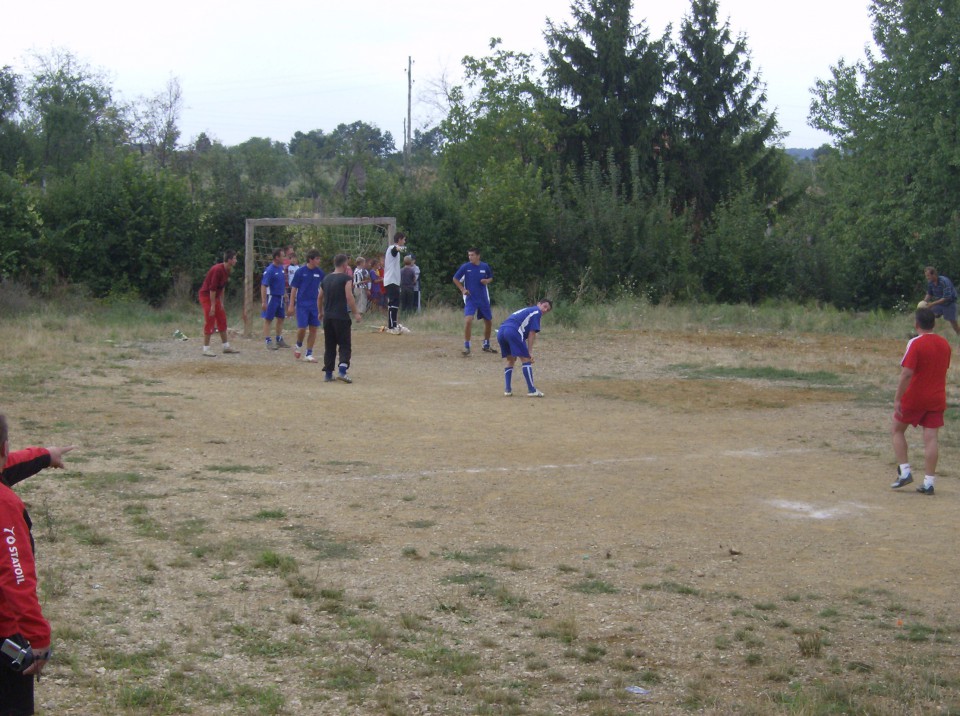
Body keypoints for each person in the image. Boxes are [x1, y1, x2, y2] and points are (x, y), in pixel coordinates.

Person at [0, 415, 54, 716]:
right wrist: (38, 637)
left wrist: (44, 455)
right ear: (5, 447)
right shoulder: (5, 507)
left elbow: (9, 466)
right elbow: (16, 578)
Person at [891, 306, 951, 494]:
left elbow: (907, 373)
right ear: (934, 323)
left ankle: (905, 471)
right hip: (937, 396)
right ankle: (929, 482)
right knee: (931, 438)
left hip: (916, 395)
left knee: (896, 429)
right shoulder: (945, 344)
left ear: (917, 324)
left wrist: (898, 398)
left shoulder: (915, 343)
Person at [319, 253, 363, 383]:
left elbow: (319, 297)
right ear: (344, 265)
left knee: (330, 345)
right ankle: (342, 371)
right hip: (341, 317)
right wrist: (356, 313)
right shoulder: (346, 278)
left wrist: (320, 312)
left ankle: (328, 373)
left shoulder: (326, 279)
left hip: (328, 317)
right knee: (344, 344)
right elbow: (349, 296)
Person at [496, 300, 553, 398]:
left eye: (547, 310)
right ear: (538, 304)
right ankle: (531, 390)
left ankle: (508, 390)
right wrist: (529, 352)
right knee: (526, 359)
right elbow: (532, 333)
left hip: (501, 331)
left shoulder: (527, 310)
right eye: (544, 306)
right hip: (513, 331)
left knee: (510, 360)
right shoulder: (536, 311)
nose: (545, 310)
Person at [452, 248, 495, 355]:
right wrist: (463, 290)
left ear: (478, 256)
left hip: (483, 298)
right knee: (468, 320)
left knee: (488, 321)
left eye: (472, 255)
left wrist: (487, 281)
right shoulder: (466, 267)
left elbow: (491, 278)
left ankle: (486, 344)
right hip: (471, 298)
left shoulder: (485, 266)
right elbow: (455, 278)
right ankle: (467, 346)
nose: (470, 257)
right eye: (469, 255)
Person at [199, 250, 239, 357]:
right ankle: (206, 349)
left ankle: (226, 347)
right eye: (234, 258)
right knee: (210, 319)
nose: (236, 260)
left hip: (215, 296)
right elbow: (212, 289)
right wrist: (212, 306)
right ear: (229, 260)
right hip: (206, 295)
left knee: (222, 318)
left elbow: (222, 287)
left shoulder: (228, 269)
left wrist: (221, 302)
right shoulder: (217, 270)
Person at [287, 249, 325, 363]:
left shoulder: (320, 272)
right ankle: (298, 345)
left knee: (314, 329)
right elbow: (294, 288)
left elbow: (324, 288)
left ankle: (309, 353)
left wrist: (322, 306)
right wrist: (291, 305)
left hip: (314, 305)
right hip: (302, 305)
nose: (319, 260)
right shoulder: (300, 271)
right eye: (317, 258)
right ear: (310, 259)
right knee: (302, 328)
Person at [260, 248, 288, 350]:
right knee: (268, 319)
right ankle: (268, 341)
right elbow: (263, 285)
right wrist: (264, 302)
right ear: (277, 257)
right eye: (282, 256)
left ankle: (279, 339)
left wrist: (284, 293)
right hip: (271, 297)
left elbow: (281, 282)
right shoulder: (270, 270)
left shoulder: (281, 268)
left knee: (281, 318)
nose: (284, 258)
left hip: (280, 297)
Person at [921, 266, 960, 337]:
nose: (927, 278)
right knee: (928, 314)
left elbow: (946, 297)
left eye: (928, 276)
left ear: (934, 274)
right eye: (926, 276)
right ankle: (927, 334)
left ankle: (959, 335)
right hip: (939, 303)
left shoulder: (944, 281)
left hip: (950, 303)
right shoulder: (930, 283)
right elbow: (929, 293)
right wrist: (924, 302)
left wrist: (932, 304)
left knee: (953, 321)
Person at [382, 232, 409, 334]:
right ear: (400, 239)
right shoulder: (392, 248)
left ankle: (393, 324)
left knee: (395, 303)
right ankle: (391, 326)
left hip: (394, 280)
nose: (404, 242)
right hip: (391, 280)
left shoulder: (394, 250)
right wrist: (402, 248)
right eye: (404, 239)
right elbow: (395, 249)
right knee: (393, 302)